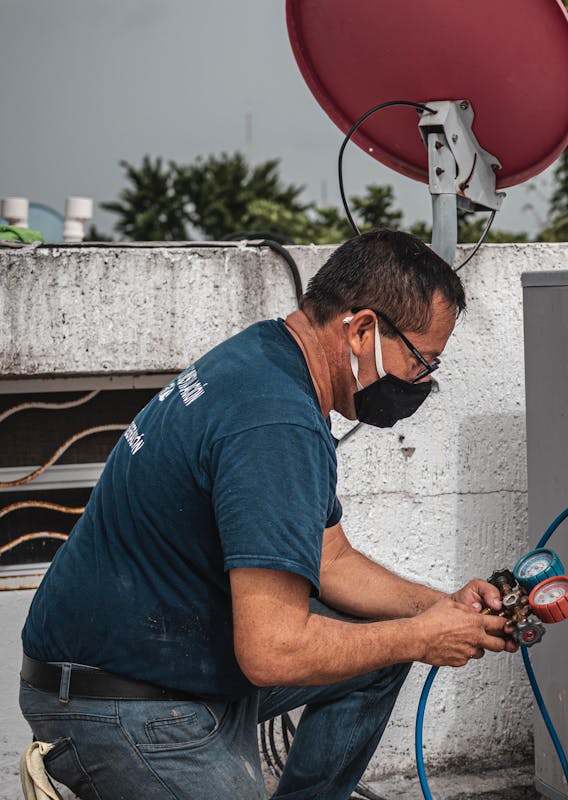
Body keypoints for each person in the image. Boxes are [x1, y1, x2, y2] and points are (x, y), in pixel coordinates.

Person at [18, 230, 516, 799]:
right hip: (119, 703)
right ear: (362, 330)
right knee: (391, 643)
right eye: (422, 360)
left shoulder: (266, 357)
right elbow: (272, 650)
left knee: (380, 650)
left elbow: (331, 558)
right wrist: (419, 637)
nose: (423, 382)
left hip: (155, 667)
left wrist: (438, 609)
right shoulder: (276, 423)